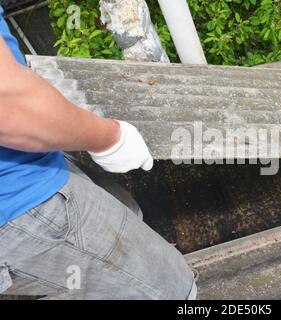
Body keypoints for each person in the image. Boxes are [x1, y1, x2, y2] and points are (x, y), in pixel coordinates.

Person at [0, 4, 196, 299]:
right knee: (169, 289)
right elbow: (8, 105)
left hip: (28, 167)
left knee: (127, 212)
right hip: (20, 198)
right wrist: (110, 139)